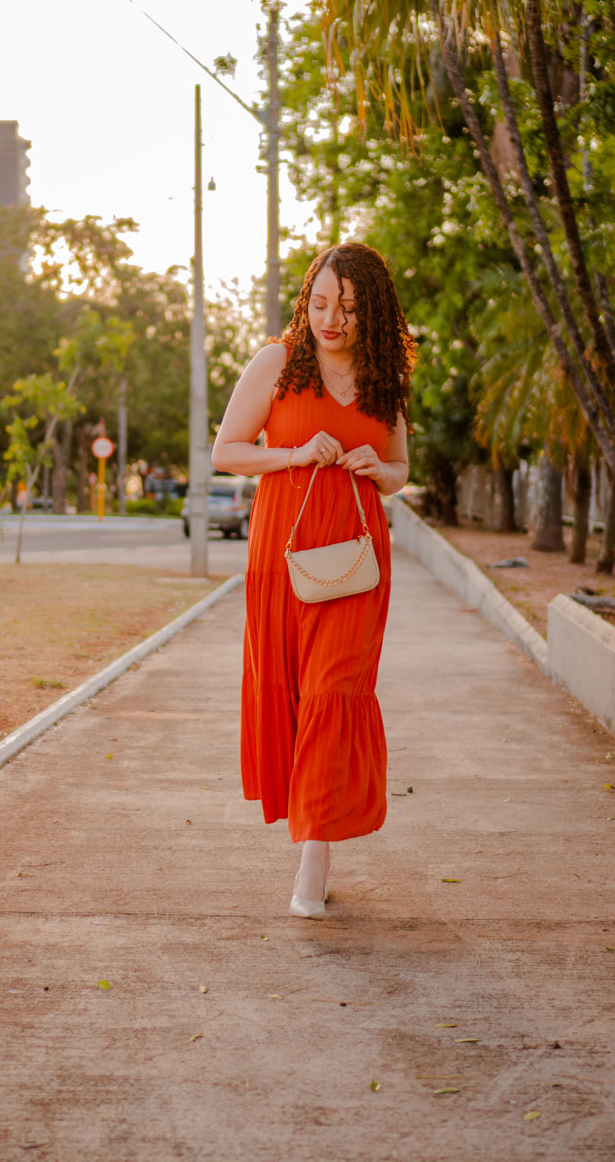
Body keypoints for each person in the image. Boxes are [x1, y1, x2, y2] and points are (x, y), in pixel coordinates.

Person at [211, 242, 416, 918]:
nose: (332, 319)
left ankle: (313, 857)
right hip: (285, 555)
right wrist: (295, 453)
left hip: (357, 563)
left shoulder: (383, 378)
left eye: (349, 308)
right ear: (307, 300)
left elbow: (398, 471)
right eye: (321, 303)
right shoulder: (277, 362)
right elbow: (226, 452)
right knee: (297, 696)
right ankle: (312, 835)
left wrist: (373, 468)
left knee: (333, 692)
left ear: (373, 314)